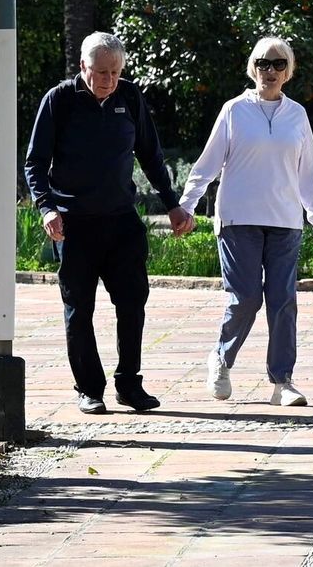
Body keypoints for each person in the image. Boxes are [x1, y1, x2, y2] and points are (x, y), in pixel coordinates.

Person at [24, 31, 195, 415]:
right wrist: (47, 208)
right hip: (74, 225)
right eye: (101, 72)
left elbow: (151, 155)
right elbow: (34, 163)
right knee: (78, 308)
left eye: (115, 72)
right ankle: (89, 388)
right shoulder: (59, 101)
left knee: (132, 303)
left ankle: (129, 384)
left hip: (121, 221)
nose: (109, 80)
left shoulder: (130, 97)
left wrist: (172, 204)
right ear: (83, 66)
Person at [178, 36, 313, 407]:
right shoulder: (233, 111)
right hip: (238, 219)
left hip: (285, 221)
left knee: (282, 300)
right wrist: (186, 206)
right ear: (253, 67)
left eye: (279, 64)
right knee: (245, 297)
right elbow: (208, 163)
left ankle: (283, 381)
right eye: (264, 63)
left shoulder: (297, 115)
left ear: (288, 71)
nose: (271, 70)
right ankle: (221, 358)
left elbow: (308, 172)